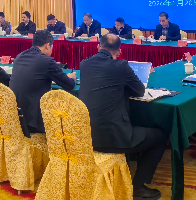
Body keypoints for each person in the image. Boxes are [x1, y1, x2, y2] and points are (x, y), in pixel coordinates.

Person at [79, 34, 168, 200]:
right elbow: (139, 91)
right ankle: (138, 188)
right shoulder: (121, 65)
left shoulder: (84, 64)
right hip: (111, 137)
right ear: (119, 51)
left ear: (98, 46)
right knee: (161, 136)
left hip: (85, 135)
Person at [10, 30, 76, 133]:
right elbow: (69, 85)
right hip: (33, 122)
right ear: (47, 45)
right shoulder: (47, 61)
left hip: (15, 117)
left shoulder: (19, 56)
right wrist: (71, 78)